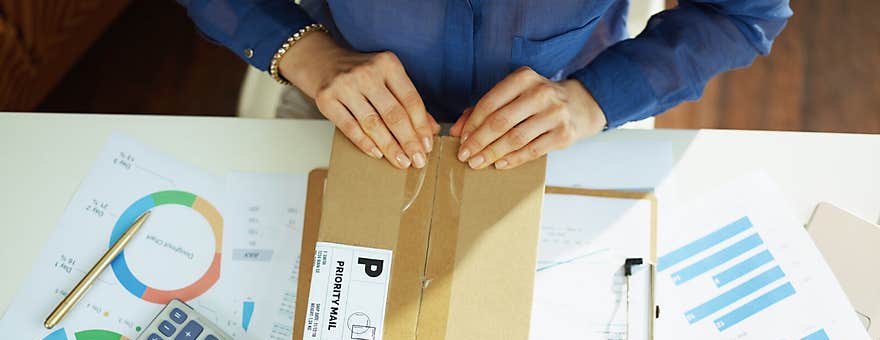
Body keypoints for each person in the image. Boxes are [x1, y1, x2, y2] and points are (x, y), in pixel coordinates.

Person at [179, 1, 791, 170]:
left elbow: (742, 12)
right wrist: (305, 52)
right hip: (333, 85)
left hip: (567, 104)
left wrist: (594, 99)